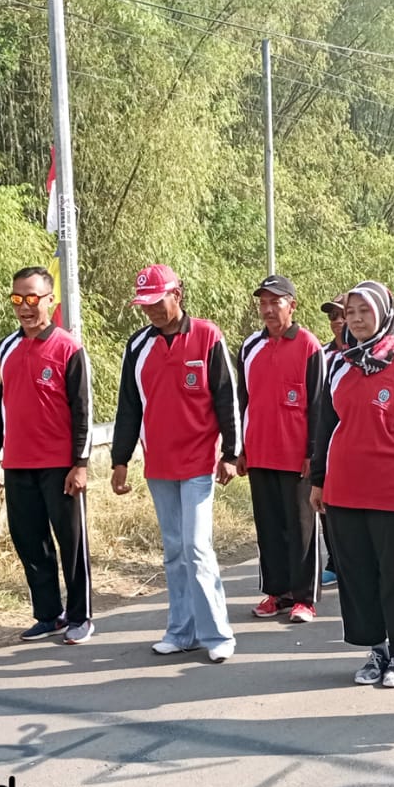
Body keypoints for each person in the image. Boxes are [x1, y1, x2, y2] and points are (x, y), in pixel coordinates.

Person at [111, 264, 239, 663]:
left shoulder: (207, 336)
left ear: (177, 295)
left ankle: (217, 634)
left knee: (197, 547)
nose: (151, 310)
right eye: (144, 305)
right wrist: (119, 460)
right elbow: (128, 407)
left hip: (199, 460)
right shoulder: (138, 346)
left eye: (157, 302)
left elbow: (227, 397)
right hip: (159, 464)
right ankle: (182, 631)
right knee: (174, 551)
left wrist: (231, 453)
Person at [310, 280, 394, 688]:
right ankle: (377, 650)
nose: (357, 319)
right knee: (357, 574)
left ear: (382, 313)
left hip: (392, 490)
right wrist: (318, 480)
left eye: (365, 310)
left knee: (393, 574)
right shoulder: (339, 364)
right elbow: (325, 426)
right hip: (344, 488)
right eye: (351, 312)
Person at [0, 267, 95, 644]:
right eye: (17, 299)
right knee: (30, 541)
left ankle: (80, 616)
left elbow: (83, 410)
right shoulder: (5, 348)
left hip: (60, 466)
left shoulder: (68, 348)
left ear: (49, 299)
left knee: (71, 543)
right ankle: (49, 614)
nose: (25, 307)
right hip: (17, 464)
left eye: (32, 298)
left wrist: (80, 463)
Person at [237, 275, 326, 623]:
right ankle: (277, 592)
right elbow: (242, 402)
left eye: (275, 302)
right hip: (259, 452)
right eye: (263, 302)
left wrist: (313, 454)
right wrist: (240, 448)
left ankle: (304, 597)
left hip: (296, 456)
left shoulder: (309, 346)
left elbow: (319, 405)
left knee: (301, 528)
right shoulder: (250, 347)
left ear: (292, 305)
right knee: (269, 527)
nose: (268, 309)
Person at [318, 294, 347, 588]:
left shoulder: (368, 355)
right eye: (332, 317)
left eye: (342, 315)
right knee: (328, 504)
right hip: (328, 438)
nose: (337, 321)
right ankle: (334, 562)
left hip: (356, 440)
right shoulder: (323, 355)